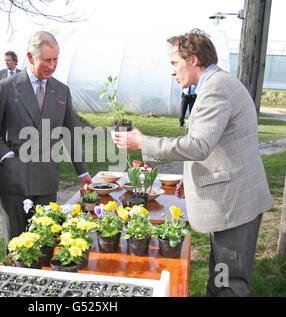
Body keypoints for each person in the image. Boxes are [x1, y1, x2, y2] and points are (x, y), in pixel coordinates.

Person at [111, 29, 274, 297]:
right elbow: (216, 142)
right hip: (232, 201)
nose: (172, 72)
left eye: (175, 63)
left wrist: (143, 143)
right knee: (221, 277)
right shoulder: (215, 84)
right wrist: (190, 176)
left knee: (228, 283)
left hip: (235, 205)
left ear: (194, 59)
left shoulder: (216, 87)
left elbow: (198, 145)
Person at [0, 31, 92, 251]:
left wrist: (83, 173)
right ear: (31, 57)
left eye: (55, 59)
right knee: (18, 248)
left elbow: (68, 133)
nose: (52, 66)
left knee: (46, 243)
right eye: (47, 60)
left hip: (46, 181)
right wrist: (6, 156)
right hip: (13, 180)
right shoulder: (6, 88)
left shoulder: (61, 91)